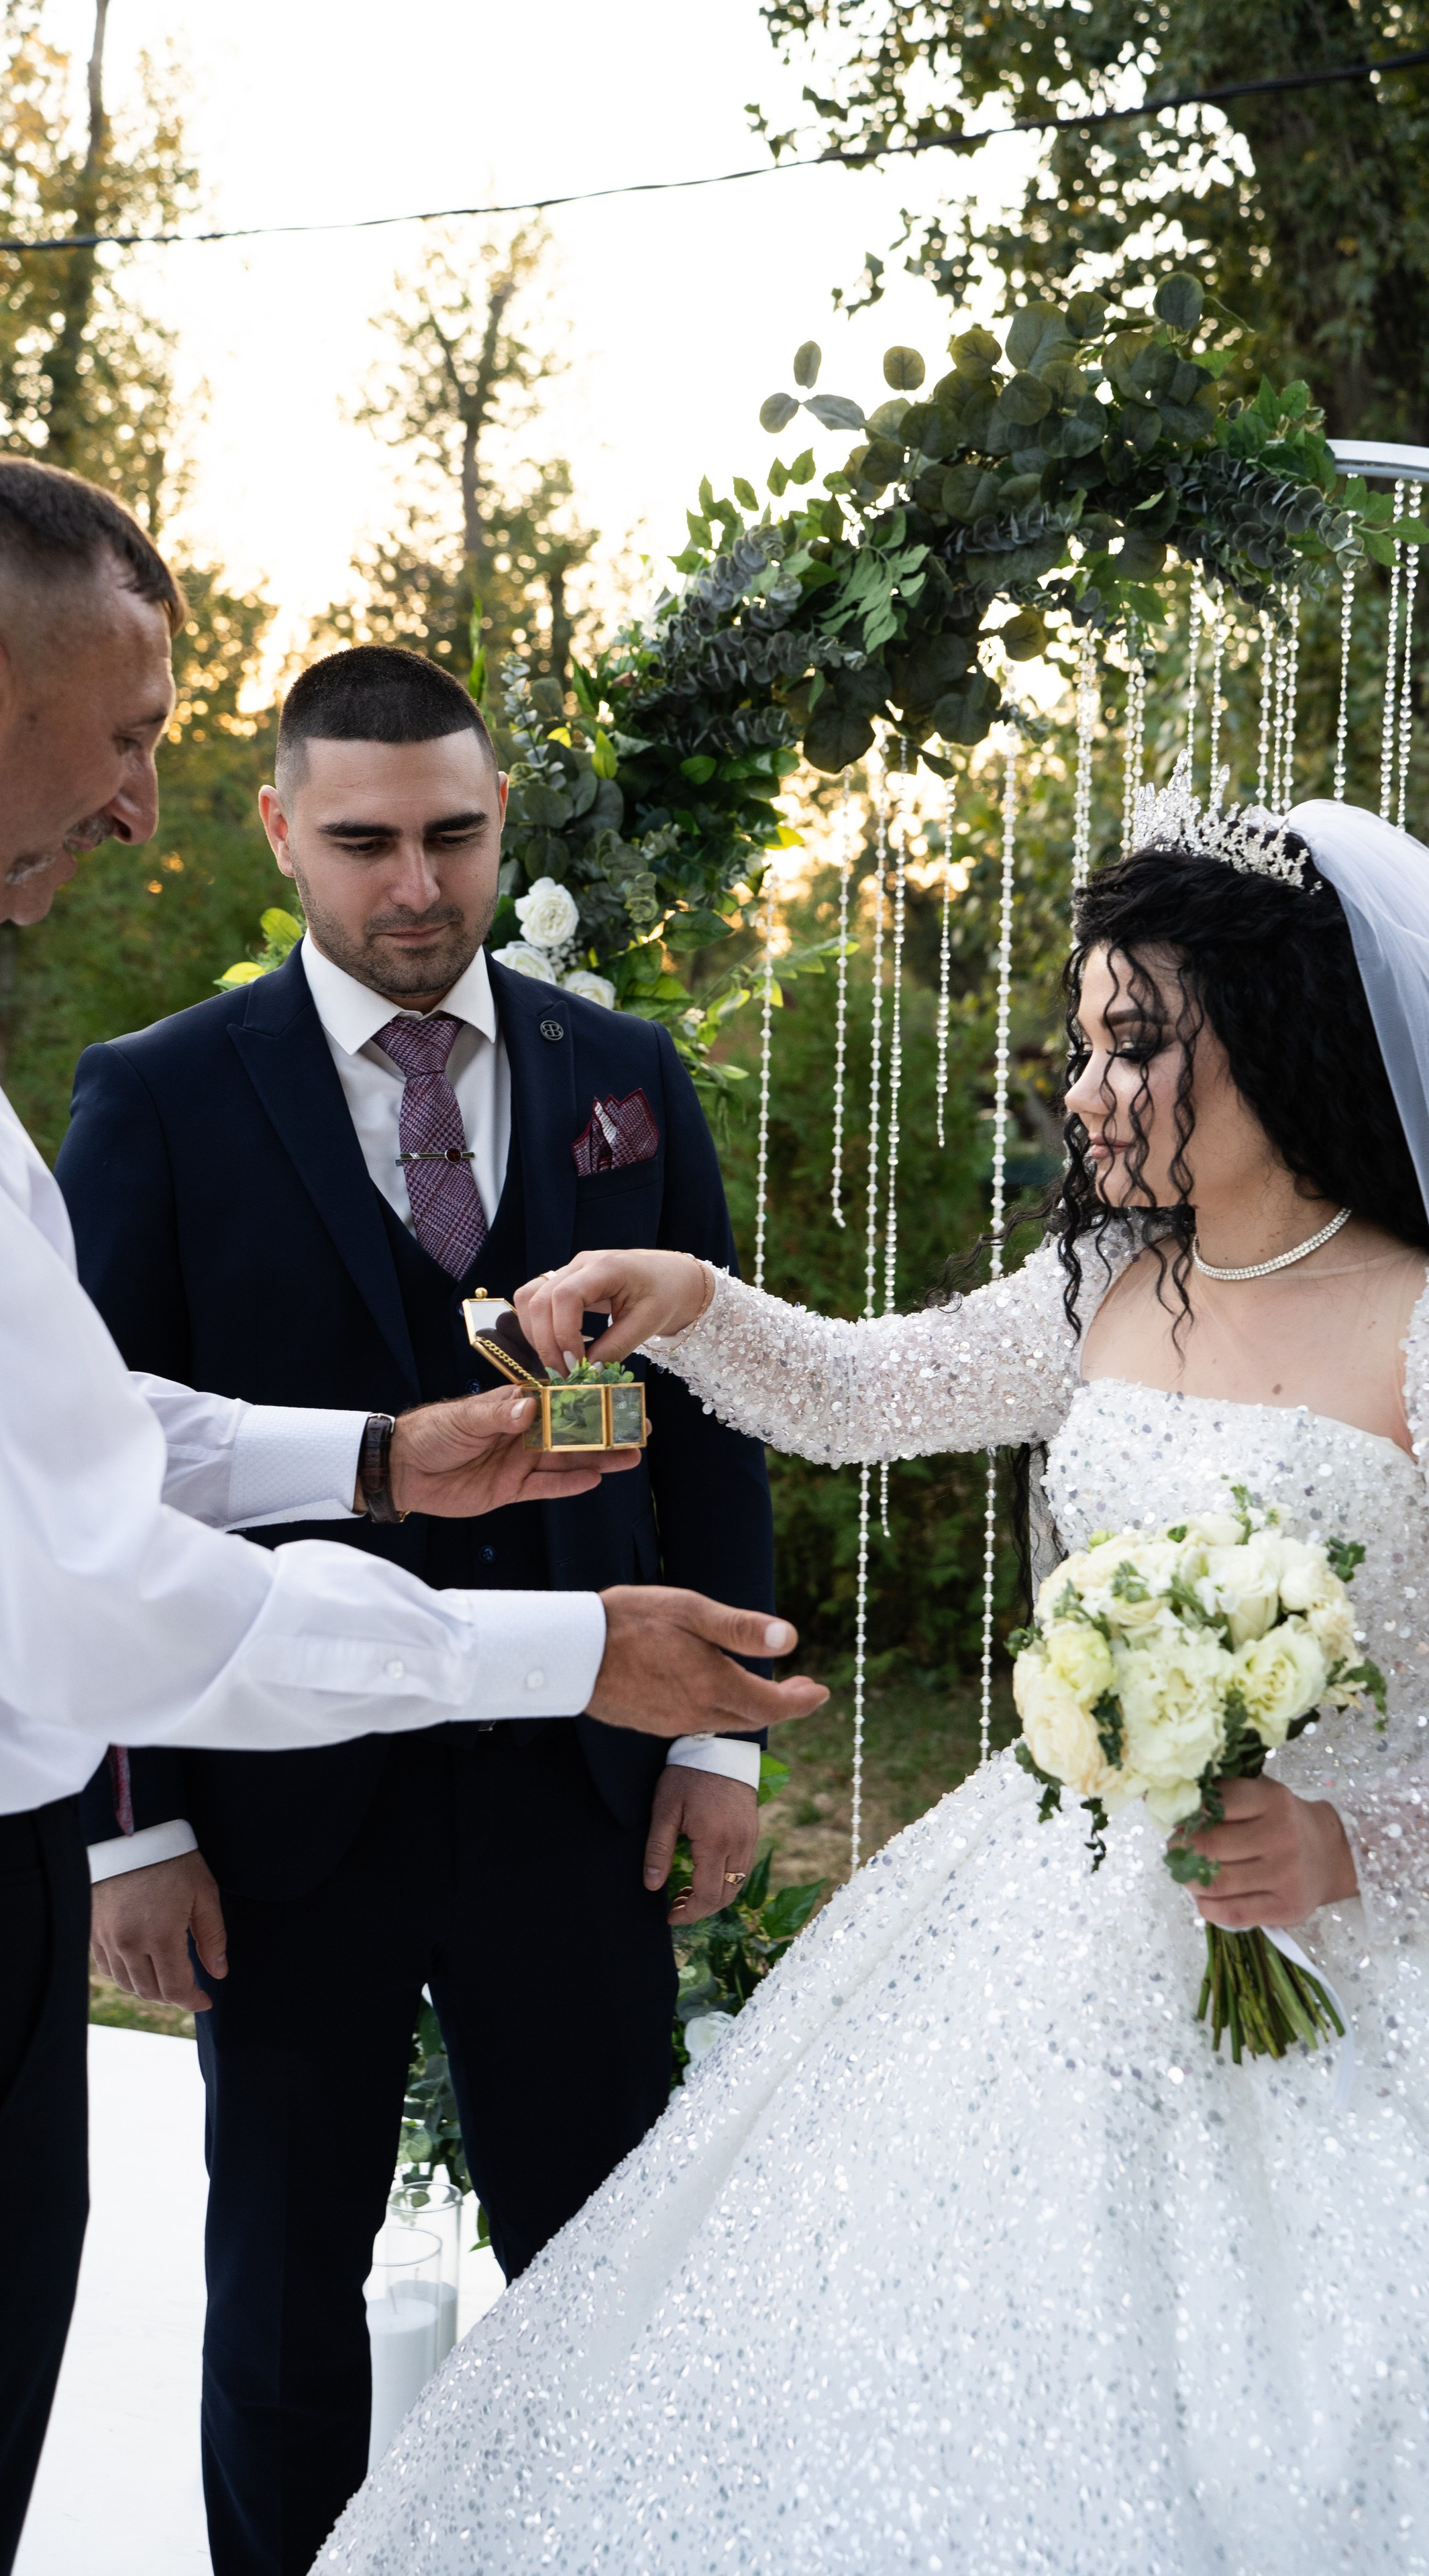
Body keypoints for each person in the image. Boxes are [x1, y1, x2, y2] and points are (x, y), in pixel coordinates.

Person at [319, 779, 1429, 2576]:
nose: (1083, 1090)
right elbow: (864, 1391)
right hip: (1047, 1928)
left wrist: (1349, 1845)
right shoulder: (1111, 1284)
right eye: (1084, 1042)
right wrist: (685, 1297)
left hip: (1395, 1963)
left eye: (1133, 1042)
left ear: (1280, 1041)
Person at [0, 457, 824, 2576]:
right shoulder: (155, 1097)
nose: (416, 882)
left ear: (500, 828)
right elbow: (84, 1501)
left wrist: (705, 1725)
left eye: (454, 834)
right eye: (362, 837)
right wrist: (138, 1824)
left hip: (574, 1795)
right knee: (277, 2308)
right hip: (279, 1833)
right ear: (291, 835)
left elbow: (711, 1419)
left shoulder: (622, 1068)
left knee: (609, 2267)